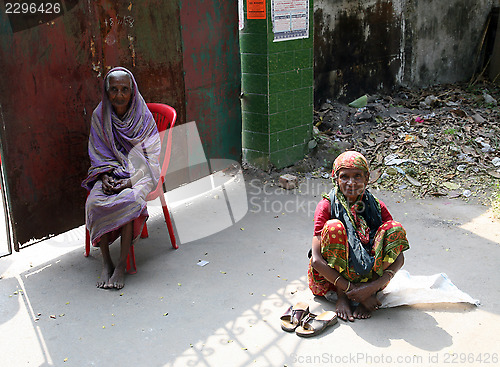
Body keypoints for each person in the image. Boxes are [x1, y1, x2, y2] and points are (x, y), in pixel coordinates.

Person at [82, 67, 161, 290]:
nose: (119, 95)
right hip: (110, 172)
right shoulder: (100, 115)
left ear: (132, 90)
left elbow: (152, 155)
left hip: (140, 172)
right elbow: (98, 153)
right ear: (106, 91)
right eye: (114, 89)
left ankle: (121, 266)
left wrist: (130, 180)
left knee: (130, 199)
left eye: (124, 89)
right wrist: (105, 175)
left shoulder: (142, 115)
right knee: (95, 201)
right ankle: (106, 262)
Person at [308, 151, 409, 321]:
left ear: (367, 178)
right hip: (332, 280)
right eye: (344, 177)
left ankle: (367, 290)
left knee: (394, 228)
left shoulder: (376, 206)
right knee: (334, 227)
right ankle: (342, 298)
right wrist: (348, 291)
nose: (351, 183)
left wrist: (371, 288)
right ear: (335, 179)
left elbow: (398, 257)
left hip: (370, 277)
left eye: (357, 176)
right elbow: (316, 260)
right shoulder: (326, 206)